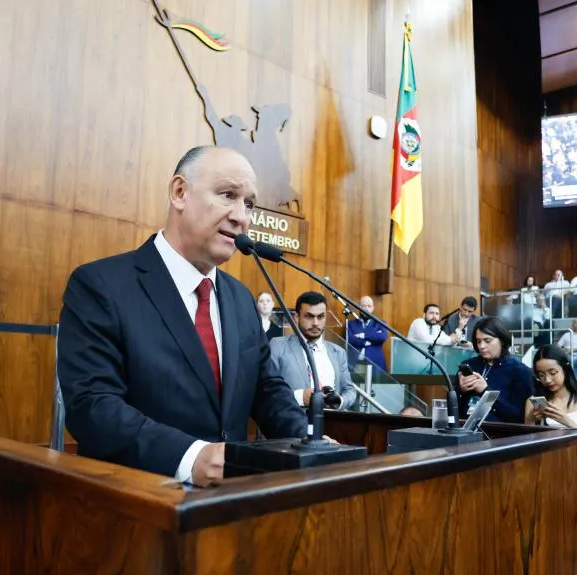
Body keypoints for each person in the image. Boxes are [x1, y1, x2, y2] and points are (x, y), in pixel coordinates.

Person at [58, 145, 307, 486]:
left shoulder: (240, 298)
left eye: (249, 204)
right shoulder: (101, 286)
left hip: (230, 500)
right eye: (228, 195)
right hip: (138, 500)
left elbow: (266, 388)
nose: (242, 217)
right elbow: (92, 407)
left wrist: (309, 441)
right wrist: (190, 458)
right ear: (179, 192)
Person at [270, 291, 357, 411]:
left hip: (329, 420)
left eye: (320, 317)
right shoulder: (278, 346)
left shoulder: (338, 352)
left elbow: (350, 390)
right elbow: (267, 389)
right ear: (296, 317)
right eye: (309, 316)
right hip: (291, 419)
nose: (315, 323)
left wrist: (339, 401)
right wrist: (300, 397)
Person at [524, 345, 577, 453]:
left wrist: (566, 421)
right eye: (541, 375)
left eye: (553, 373)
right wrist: (530, 420)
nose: (547, 380)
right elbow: (528, 449)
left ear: (565, 369)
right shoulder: (532, 402)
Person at [456, 317, 534, 424]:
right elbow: (453, 409)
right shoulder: (470, 365)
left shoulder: (520, 371)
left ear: (501, 340)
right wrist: (460, 391)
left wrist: (485, 391)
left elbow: (517, 416)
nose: (482, 346)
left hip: (500, 431)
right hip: (465, 428)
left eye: (487, 341)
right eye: (478, 341)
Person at [345, 295, 388, 372]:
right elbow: (350, 339)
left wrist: (363, 335)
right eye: (363, 306)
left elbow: (382, 337)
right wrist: (367, 342)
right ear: (358, 307)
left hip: (375, 365)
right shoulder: (351, 324)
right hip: (355, 365)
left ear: (373, 308)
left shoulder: (380, 323)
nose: (366, 308)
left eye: (369, 306)